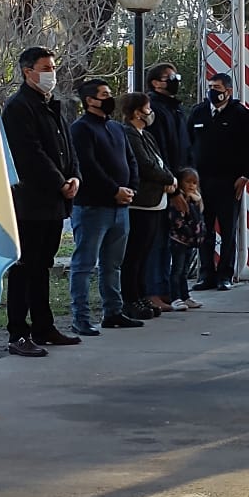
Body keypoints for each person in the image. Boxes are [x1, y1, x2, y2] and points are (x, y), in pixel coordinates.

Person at [1, 46, 82, 358]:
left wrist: (74, 176)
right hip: (30, 203)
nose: (51, 73)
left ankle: (43, 326)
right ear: (27, 71)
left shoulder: (52, 105)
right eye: (45, 67)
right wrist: (59, 182)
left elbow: (66, 147)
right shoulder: (19, 107)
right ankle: (18, 333)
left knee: (42, 267)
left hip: (54, 203)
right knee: (24, 268)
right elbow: (29, 153)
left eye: (53, 66)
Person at [68, 79, 143, 334]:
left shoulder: (116, 128)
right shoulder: (81, 129)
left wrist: (131, 188)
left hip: (121, 208)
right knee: (84, 265)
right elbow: (87, 166)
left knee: (112, 264)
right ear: (90, 100)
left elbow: (130, 160)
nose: (110, 98)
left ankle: (113, 311)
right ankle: (81, 317)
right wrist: (113, 190)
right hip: (92, 207)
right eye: (104, 94)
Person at [186, 72, 249, 291]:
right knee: (203, 229)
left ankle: (224, 275)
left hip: (229, 183)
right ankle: (205, 274)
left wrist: (245, 175)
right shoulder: (198, 112)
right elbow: (187, 145)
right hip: (201, 183)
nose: (213, 91)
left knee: (228, 231)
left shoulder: (239, 113)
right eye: (210, 86)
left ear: (228, 91)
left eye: (217, 87)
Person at [120, 92, 178, 318]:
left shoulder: (146, 135)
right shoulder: (129, 134)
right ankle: (131, 299)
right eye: (147, 108)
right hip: (141, 204)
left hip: (156, 203)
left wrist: (171, 178)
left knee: (144, 254)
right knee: (134, 255)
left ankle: (142, 296)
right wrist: (168, 179)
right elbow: (145, 165)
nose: (150, 112)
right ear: (137, 112)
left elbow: (159, 161)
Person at [144, 63, 190, 309]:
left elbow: (184, 148)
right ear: (155, 83)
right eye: (168, 77)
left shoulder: (177, 110)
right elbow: (160, 151)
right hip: (164, 186)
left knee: (174, 241)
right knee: (158, 242)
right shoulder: (156, 110)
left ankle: (171, 291)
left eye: (175, 75)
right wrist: (171, 187)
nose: (174, 80)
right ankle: (155, 291)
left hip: (180, 182)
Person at [168, 167, 206, 309]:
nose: (191, 185)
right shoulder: (179, 201)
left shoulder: (196, 200)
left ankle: (185, 295)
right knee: (177, 269)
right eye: (188, 182)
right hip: (179, 241)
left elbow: (199, 219)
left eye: (194, 182)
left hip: (191, 242)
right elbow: (177, 221)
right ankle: (175, 297)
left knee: (184, 270)